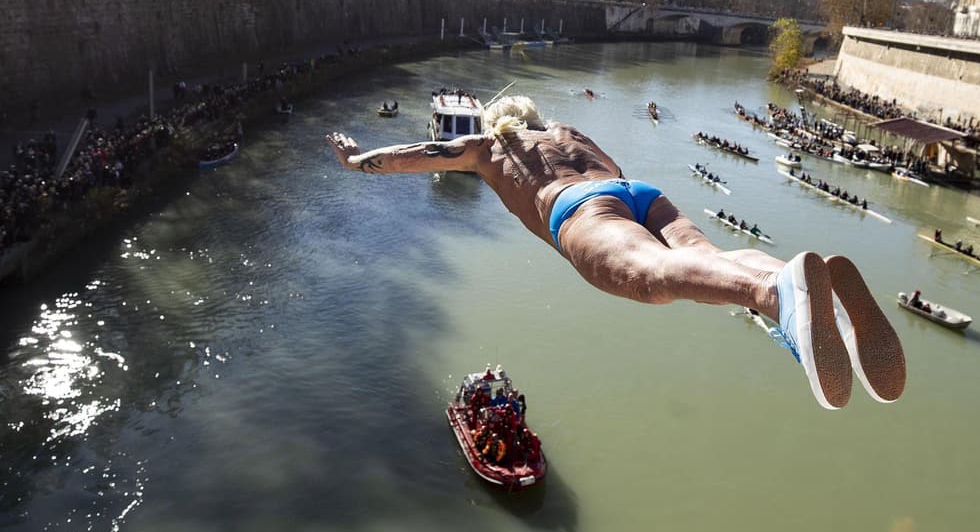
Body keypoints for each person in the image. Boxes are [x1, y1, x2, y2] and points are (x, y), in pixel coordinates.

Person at [327, 95, 905, 410]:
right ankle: (803, 292)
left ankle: (773, 292)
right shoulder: (567, 130)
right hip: (639, 192)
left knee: (652, 279)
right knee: (707, 258)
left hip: (576, 209)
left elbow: (424, 151)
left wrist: (359, 161)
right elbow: (616, 171)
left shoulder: (488, 144)